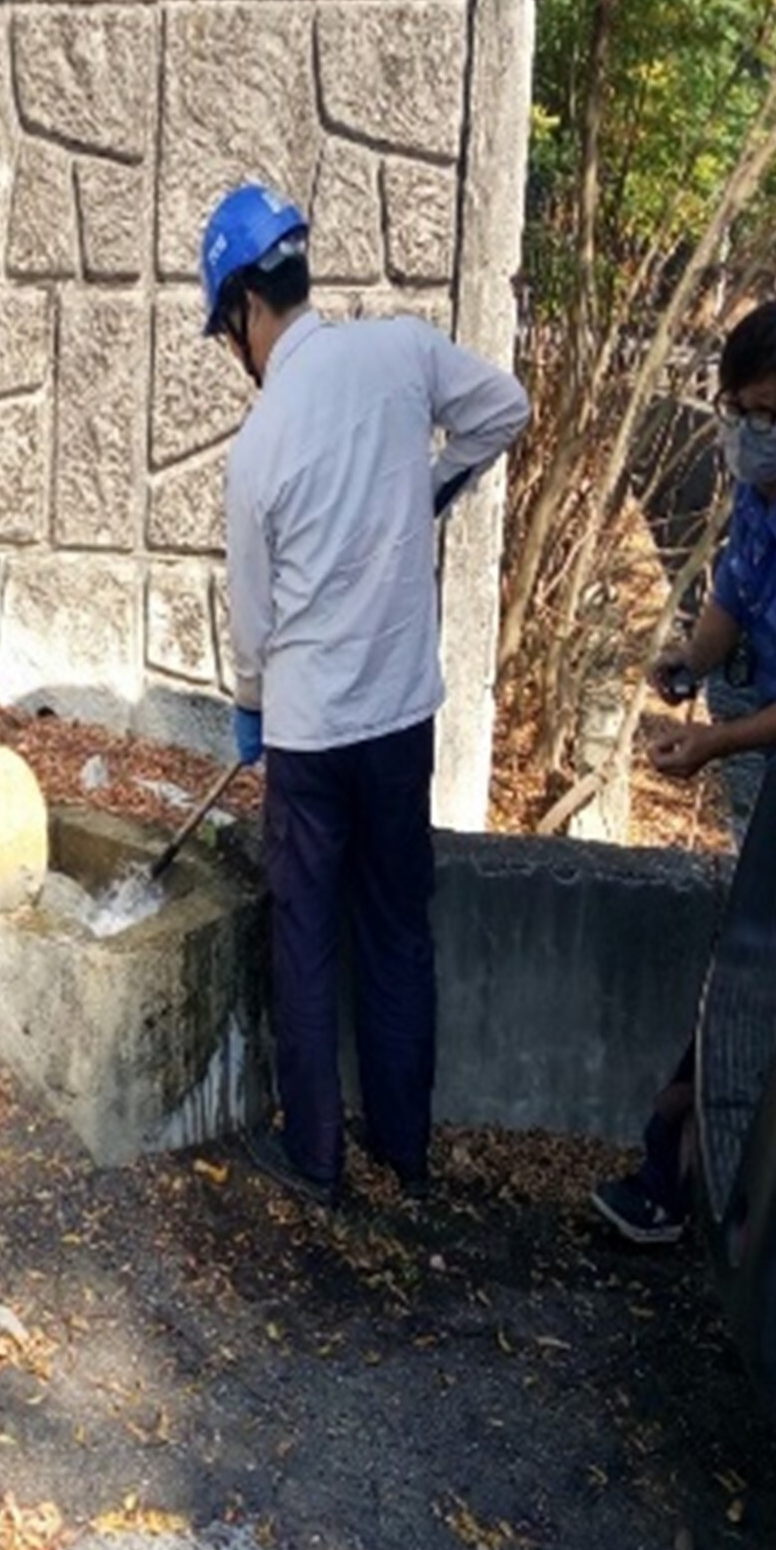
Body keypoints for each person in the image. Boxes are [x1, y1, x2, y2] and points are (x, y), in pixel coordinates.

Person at [201, 181, 531, 1211]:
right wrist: (436, 481)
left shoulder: (257, 448)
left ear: (250, 309)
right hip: (397, 720)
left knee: (305, 937)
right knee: (396, 928)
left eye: (228, 333)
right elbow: (505, 412)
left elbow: (253, 626)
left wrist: (251, 708)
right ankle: (405, 1149)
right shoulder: (400, 353)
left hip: (306, 734)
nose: (236, 354)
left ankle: (317, 1162)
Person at [592, 298, 776, 1245]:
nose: (749, 431)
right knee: (740, 963)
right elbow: (733, 600)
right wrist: (688, 665)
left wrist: (715, 742)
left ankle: (671, 1179)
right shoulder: (761, 494)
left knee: (752, 974)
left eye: (768, 415)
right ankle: (677, 1177)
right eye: (737, 409)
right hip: (761, 767)